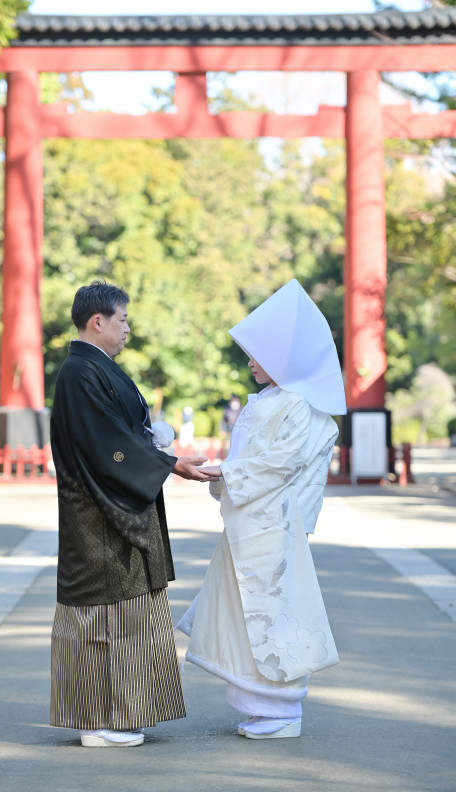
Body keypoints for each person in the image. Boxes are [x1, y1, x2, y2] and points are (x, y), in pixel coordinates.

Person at [178, 279, 347, 740]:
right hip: (255, 522)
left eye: (257, 354)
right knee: (248, 609)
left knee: (272, 609)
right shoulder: (278, 400)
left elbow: (282, 463)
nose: (250, 362)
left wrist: (228, 474)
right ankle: (263, 704)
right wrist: (228, 473)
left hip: (271, 524)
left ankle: (281, 709)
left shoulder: (294, 403)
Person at [49, 280, 211, 749]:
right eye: (123, 320)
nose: (127, 329)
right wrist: (168, 462)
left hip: (112, 503)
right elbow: (107, 445)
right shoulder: (79, 373)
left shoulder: (94, 368)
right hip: (98, 511)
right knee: (104, 616)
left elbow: (124, 432)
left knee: (123, 614)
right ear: (97, 321)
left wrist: (157, 449)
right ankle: (102, 719)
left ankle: (114, 714)